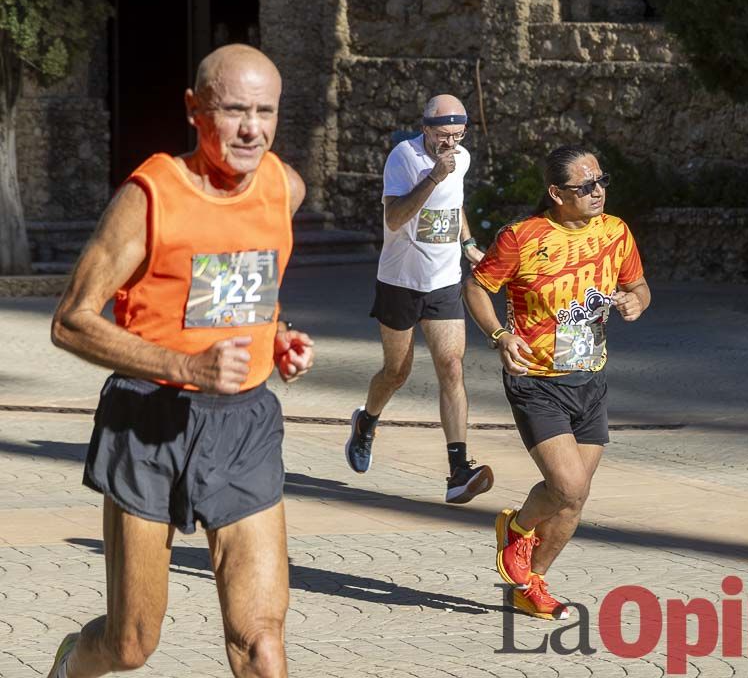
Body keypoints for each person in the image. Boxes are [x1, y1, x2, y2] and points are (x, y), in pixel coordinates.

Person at [44, 44, 314, 678]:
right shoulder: (151, 196)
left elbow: (242, 286)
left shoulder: (284, 187)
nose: (252, 129)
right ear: (196, 110)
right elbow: (70, 320)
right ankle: (70, 666)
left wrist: (276, 335)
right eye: (235, 111)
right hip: (149, 421)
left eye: (266, 111)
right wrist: (189, 367)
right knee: (131, 644)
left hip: (245, 424)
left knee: (260, 642)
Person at [464, 144, 651, 620]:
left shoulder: (615, 232)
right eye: (585, 186)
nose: (598, 192)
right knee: (566, 487)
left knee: (574, 500)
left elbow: (638, 285)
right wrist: (500, 336)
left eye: (602, 181)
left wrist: (637, 302)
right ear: (555, 193)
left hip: (589, 376)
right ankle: (517, 531)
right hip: (537, 380)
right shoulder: (522, 237)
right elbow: (477, 287)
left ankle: (530, 584)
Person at [344, 95, 493, 504]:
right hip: (400, 282)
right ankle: (366, 423)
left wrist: (469, 243)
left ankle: (458, 470)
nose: (451, 144)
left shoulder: (460, 158)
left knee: (452, 365)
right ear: (425, 128)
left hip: (444, 282)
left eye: (458, 135)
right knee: (397, 372)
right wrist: (433, 177)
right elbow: (393, 218)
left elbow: (456, 203)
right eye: (443, 135)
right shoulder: (403, 158)